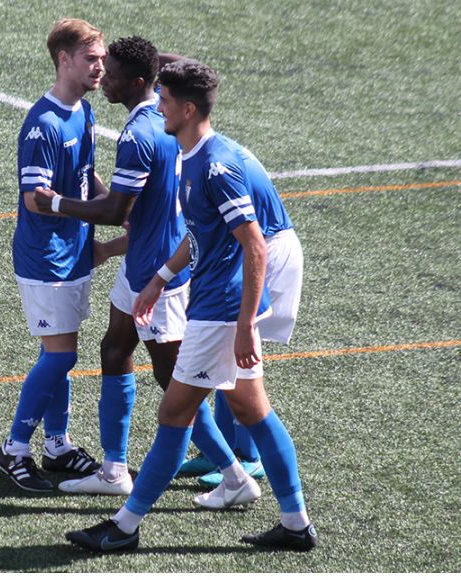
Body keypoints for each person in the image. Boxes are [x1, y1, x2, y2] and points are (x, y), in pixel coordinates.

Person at [65, 59, 317, 552]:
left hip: (221, 312)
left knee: (174, 413)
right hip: (219, 306)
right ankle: (295, 523)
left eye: (164, 101)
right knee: (251, 408)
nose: (158, 108)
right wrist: (160, 278)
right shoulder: (190, 154)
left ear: (186, 108)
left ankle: (125, 526)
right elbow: (198, 233)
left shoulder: (216, 167)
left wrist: (244, 325)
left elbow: (256, 246)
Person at [32, 37, 187, 496]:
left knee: (174, 381)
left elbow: (117, 210)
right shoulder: (165, 110)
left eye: (113, 72)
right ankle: (114, 470)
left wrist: (56, 202)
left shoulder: (139, 134)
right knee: (114, 350)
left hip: (156, 273)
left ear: (137, 82)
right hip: (142, 261)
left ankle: (235, 472)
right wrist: (108, 251)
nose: (104, 78)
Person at [0, 18, 107, 492]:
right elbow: (35, 199)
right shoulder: (42, 123)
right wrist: (99, 214)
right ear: (64, 59)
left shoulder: (83, 112)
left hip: (74, 250)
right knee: (60, 357)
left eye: (102, 58)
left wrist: (122, 207)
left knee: (62, 352)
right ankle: (14, 447)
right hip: (46, 257)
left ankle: (57, 444)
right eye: (91, 59)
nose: (100, 67)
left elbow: (87, 176)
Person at [180, 136, 304, 490]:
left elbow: (249, 241)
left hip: (268, 250)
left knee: (239, 359)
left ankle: (247, 458)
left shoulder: (212, 161)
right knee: (227, 359)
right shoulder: (205, 151)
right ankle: (227, 448)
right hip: (260, 248)